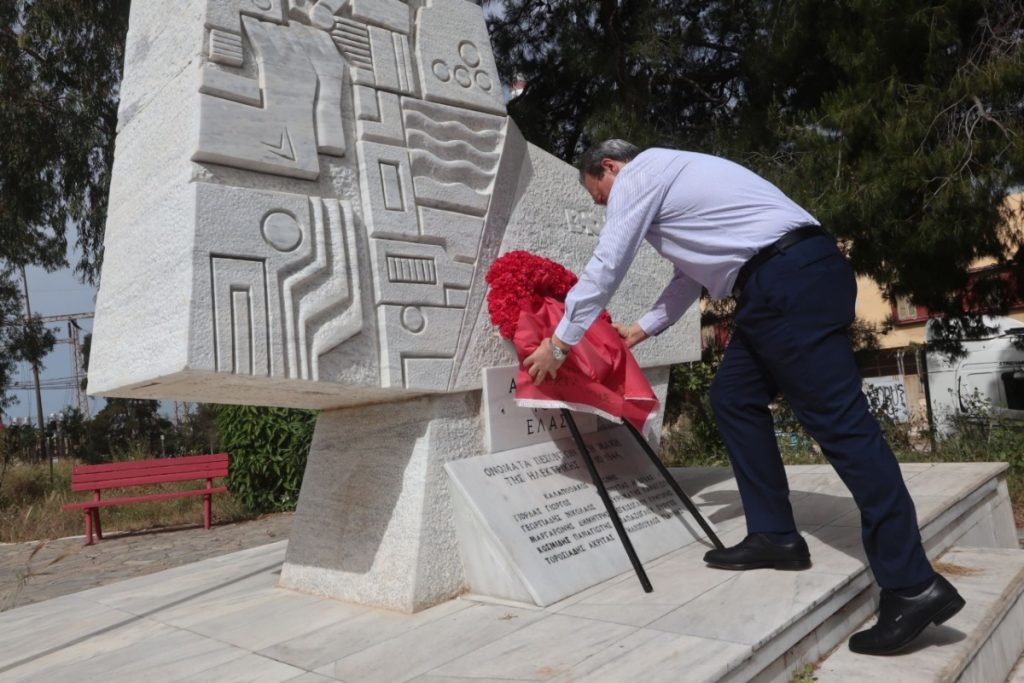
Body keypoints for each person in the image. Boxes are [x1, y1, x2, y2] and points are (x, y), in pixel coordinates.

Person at [523, 139, 965, 656]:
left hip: (785, 283)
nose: (602, 204)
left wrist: (560, 341)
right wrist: (642, 331)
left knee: (843, 429)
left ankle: (913, 586)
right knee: (732, 395)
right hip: (784, 282)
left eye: (598, 194)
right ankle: (775, 535)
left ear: (609, 167)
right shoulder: (678, 178)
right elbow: (690, 276)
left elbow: (607, 262)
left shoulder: (641, 175)